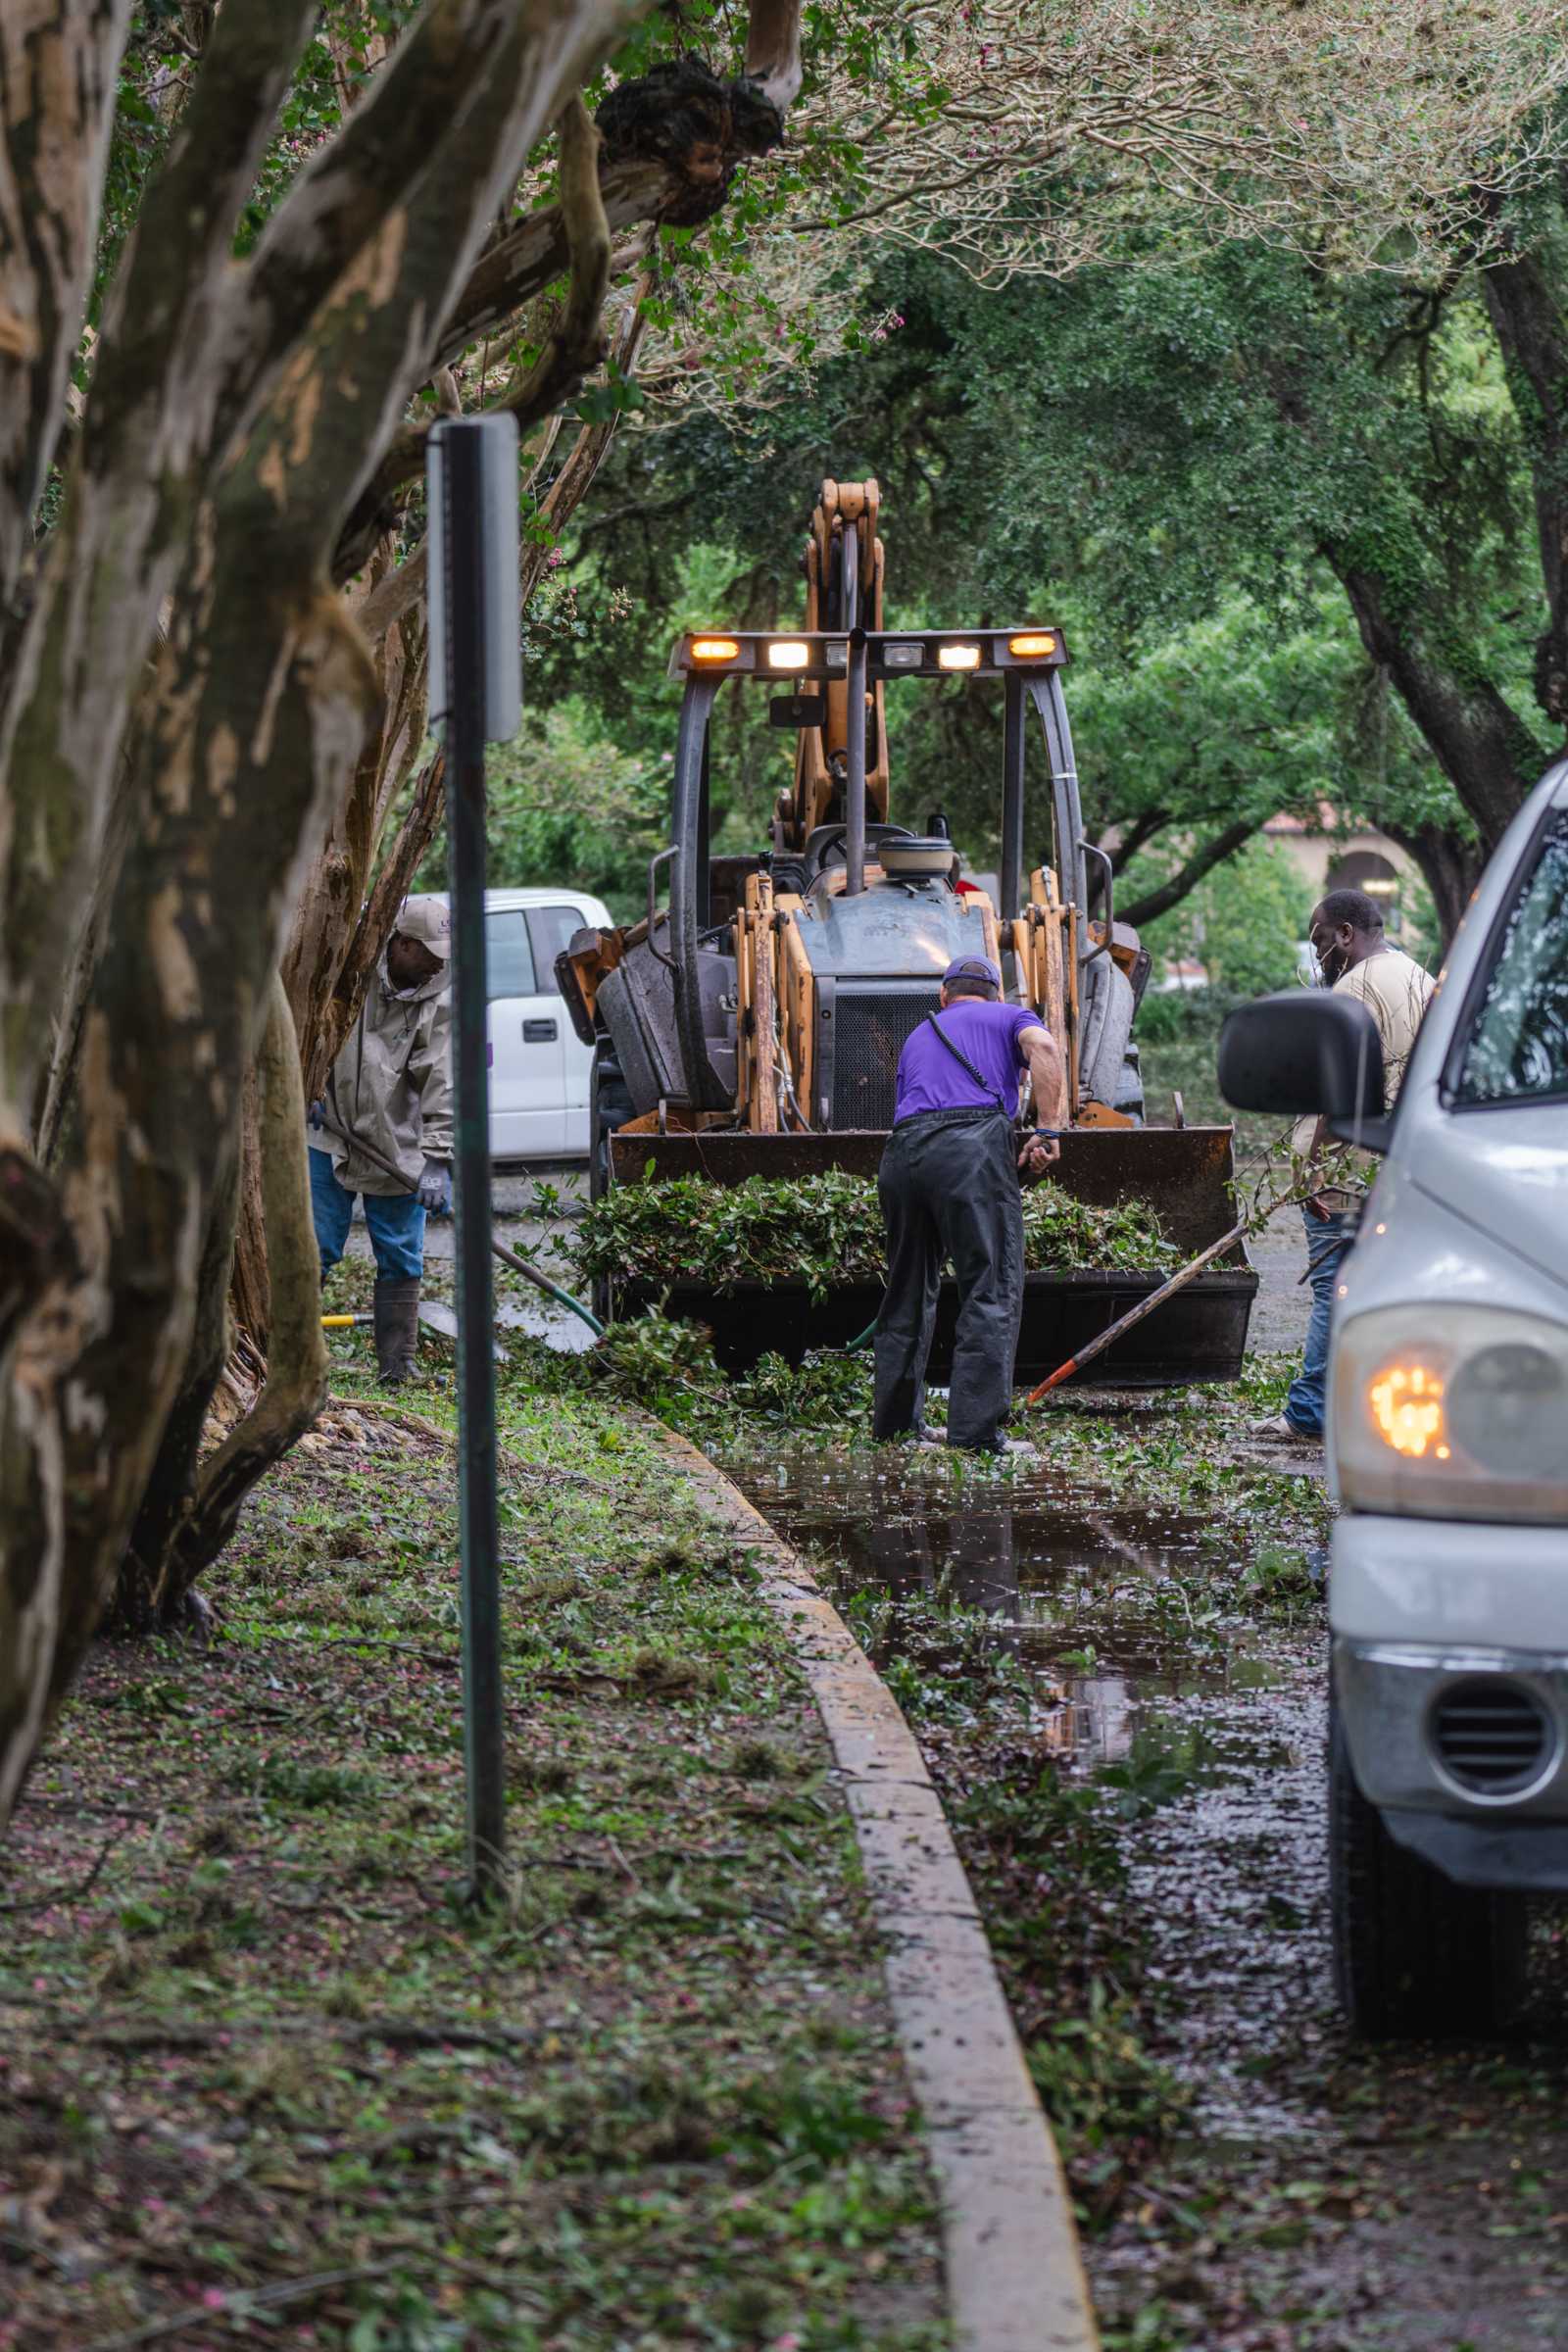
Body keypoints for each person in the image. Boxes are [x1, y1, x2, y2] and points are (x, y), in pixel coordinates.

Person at [1257, 886, 1433, 1445]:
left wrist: (1313, 1173)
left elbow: (1344, 1091)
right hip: (1402, 1162)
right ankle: (1377, 1407)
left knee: (1335, 1287)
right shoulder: (1421, 981)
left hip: (1346, 1168)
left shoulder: (1351, 990)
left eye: (1319, 940)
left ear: (1345, 935)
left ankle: (1310, 1413)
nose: (1318, 955)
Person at [873, 954, 1066, 1454]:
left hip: (902, 1155)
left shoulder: (920, 1034)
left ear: (944, 996)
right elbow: (1044, 1046)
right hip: (970, 1146)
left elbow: (915, 1112)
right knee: (990, 1287)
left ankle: (897, 1429)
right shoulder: (1010, 1017)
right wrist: (1047, 1129)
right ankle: (975, 1435)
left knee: (907, 1291)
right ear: (996, 994)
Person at [309, 895, 454, 1384]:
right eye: (429, 954)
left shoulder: (438, 995)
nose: (437, 965)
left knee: (399, 1252)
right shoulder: (345, 968)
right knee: (316, 1245)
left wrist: (437, 1158)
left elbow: (444, 1077)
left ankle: (398, 1365)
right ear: (402, 944)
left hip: (396, 1139)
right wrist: (302, 1080)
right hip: (325, 1130)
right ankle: (284, 1352)